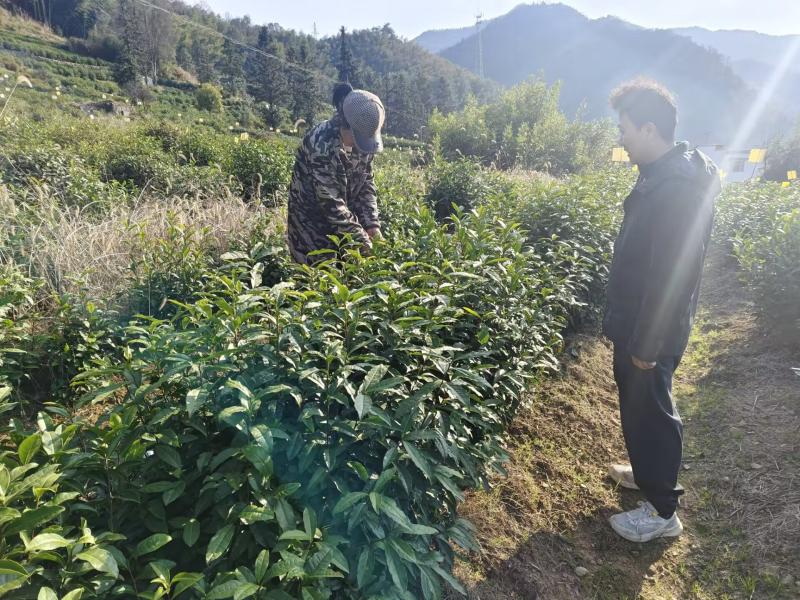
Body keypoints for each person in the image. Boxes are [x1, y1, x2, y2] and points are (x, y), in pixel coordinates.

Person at [602, 79, 721, 542]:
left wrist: (647, 344)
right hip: (638, 320)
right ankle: (646, 472)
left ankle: (662, 511)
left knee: (652, 406)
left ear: (650, 128)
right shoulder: (665, 171)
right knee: (639, 405)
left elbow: (671, 273)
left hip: (649, 327)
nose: (621, 138)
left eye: (625, 128)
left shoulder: (677, 187)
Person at [286, 83, 384, 264]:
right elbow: (331, 203)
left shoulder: (363, 138)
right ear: (344, 125)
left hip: (345, 219)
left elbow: (366, 183)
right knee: (316, 278)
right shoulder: (321, 144)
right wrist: (363, 241)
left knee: (350, 273)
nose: (360, 146)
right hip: (310, 222)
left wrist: (372, 224)